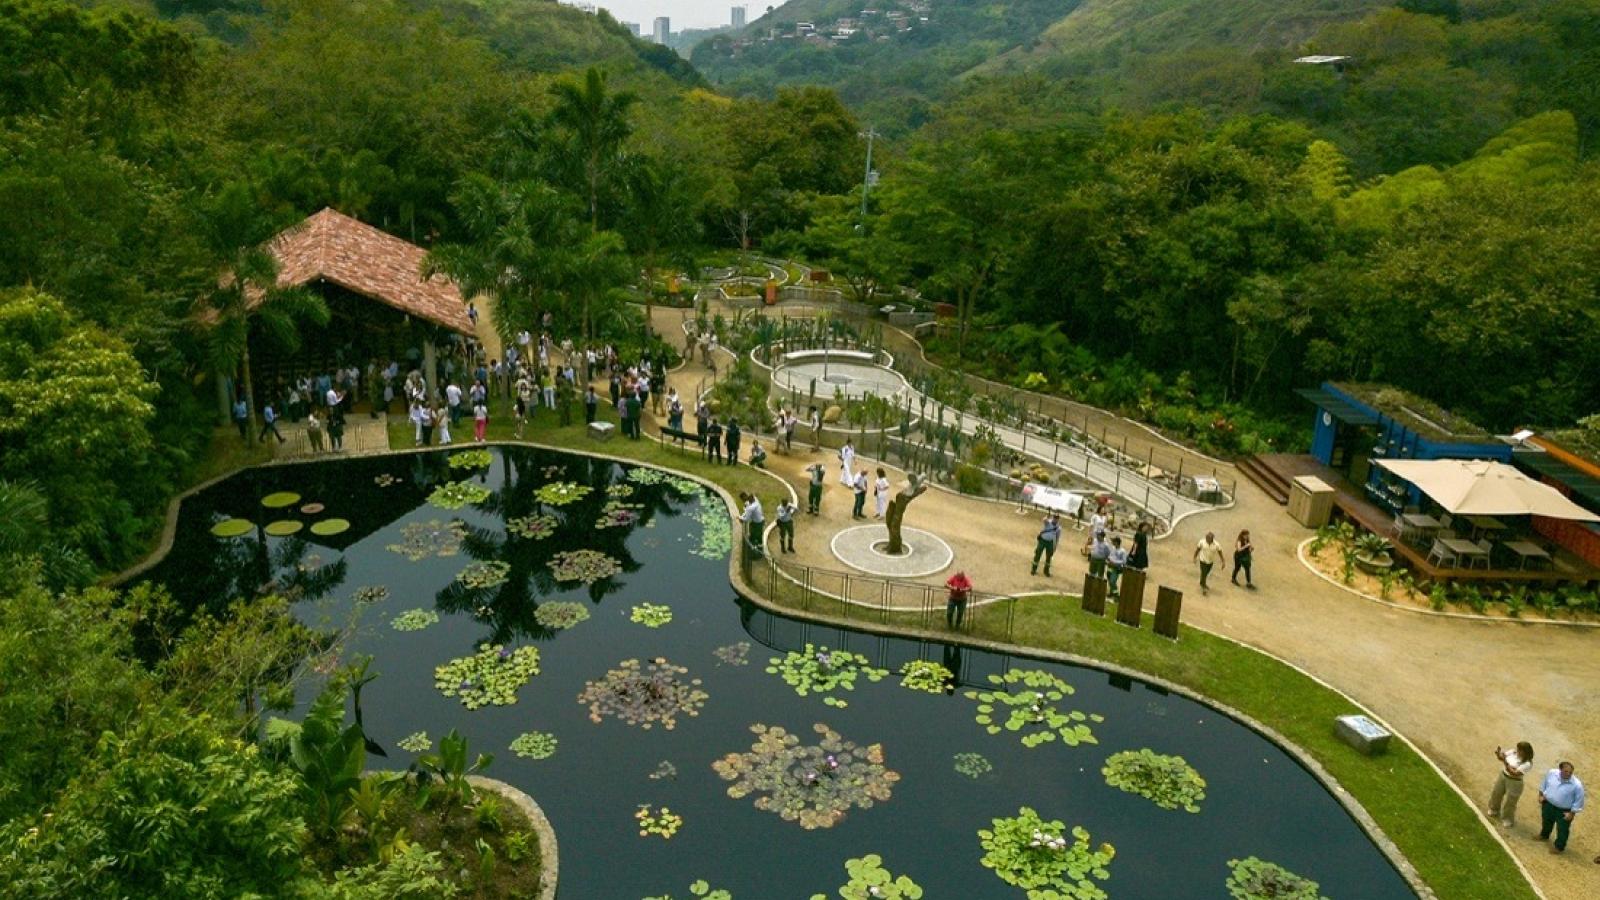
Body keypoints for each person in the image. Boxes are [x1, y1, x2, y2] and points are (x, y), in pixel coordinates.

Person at [1537, 762, 1584, 853]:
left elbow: (1579, 800)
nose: (1568, 774)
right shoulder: (1551, 773)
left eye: (1570, 772)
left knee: (1562, 829)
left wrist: (1572, 813)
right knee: (1546, 821)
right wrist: (1541, 795)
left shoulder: (1577, 785)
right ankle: (1544, 835)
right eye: (1566, 771)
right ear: (1560, 769)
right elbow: (1544, 784)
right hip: (1548, 804)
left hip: (1564, 811)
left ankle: (1559, 847)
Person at [1489, 741, 1535, 828]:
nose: (1518, 751)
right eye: (1518, 749)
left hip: (1515, 782)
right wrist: (1498, 754)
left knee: (1510, 801)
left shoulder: (1527, 763)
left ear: (1526, 752)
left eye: (1520, 750)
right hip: (1503, 775)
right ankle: (1494, 809)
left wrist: (1505, 762)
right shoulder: (1513, 752)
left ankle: (1507, 819)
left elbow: (1514, 773)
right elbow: (1501, 757)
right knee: (1496, 793)